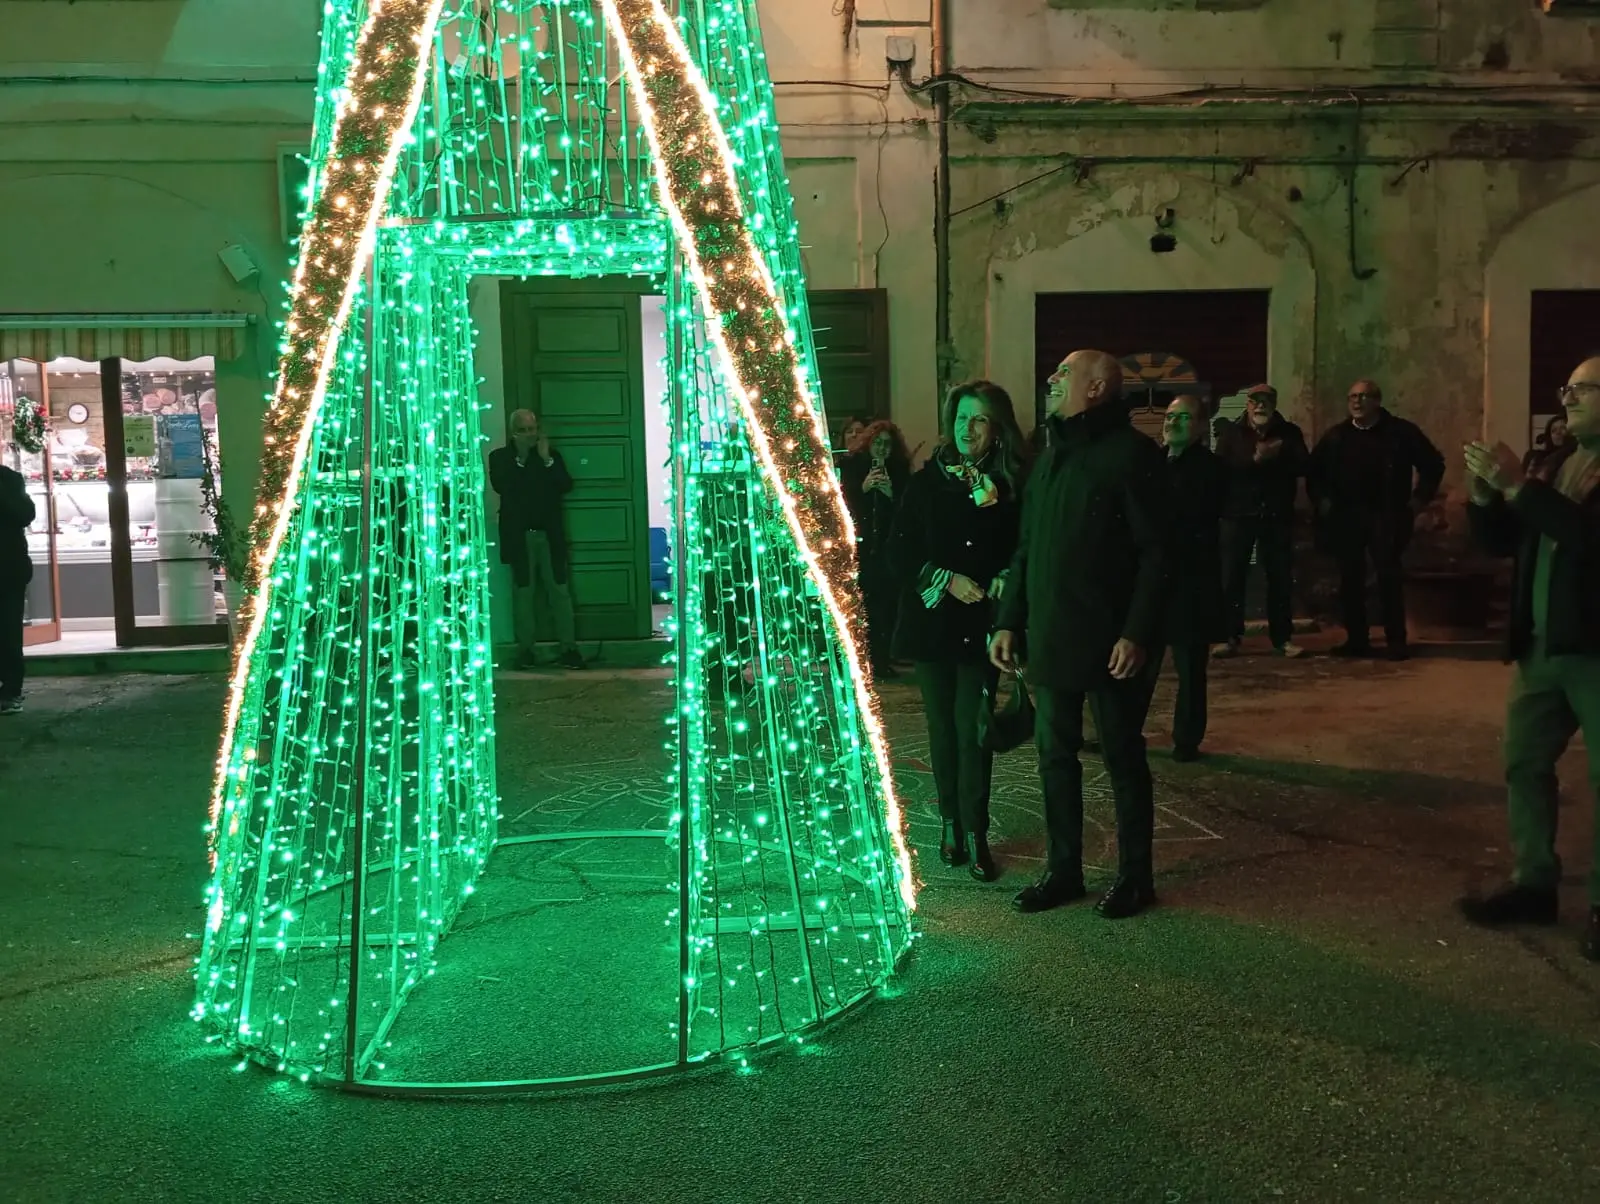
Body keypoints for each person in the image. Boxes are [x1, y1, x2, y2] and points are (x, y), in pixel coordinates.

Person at [991, 349, 1169, 920]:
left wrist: (1136, 632)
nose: (1052, 379)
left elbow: (1158, 552)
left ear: (1096, 388)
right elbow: (1026, 550)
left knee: (1120, 754)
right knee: (1053, 755)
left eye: (1064, 373)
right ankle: (1063, 870)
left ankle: (1135, 878)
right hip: (1051, 633)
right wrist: (1009, 620)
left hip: (1111, 641)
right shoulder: (1049, 458)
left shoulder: (1133, 456)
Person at [1458, 357, 1600, 961]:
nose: (1567, 397)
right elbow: (1505, 543)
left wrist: (1520, 487)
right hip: (1543, 647)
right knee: (1523, 762)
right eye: (1566, 387)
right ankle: (1534, 882)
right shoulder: (1558, 461)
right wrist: (1487, 498)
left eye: (1583, 389)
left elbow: (1591, 538)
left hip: (1595, 649)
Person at [890, 381, 1027, 882]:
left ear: (996, 430)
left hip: (983, 628)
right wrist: (946, 580)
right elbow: (897, 553)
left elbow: (1020, 549)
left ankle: (977, 831)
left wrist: (1003, 576)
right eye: (962, 417)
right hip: (934, 624)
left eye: (980, 419)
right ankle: (950, 822)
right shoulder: (926, 483)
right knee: (941, 731)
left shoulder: (1007, 485)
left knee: (976, 731)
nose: (967, 428)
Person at [1308, 380, 1445, 661]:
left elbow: (1433, 464)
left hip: (1388, 515)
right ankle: (1357, 640)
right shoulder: (1337, 437)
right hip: (1348, 517)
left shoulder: (1401, 433)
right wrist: (1323, 502)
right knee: (1351, 579)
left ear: (1378, 401)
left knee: (1388, 576)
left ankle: (1396, 641)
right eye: (1352, 397)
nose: (1357, 402)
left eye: (1364, 396)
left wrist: (1418, 500)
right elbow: (1314, 471)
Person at [1213, 383, 1308, 659]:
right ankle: (1230, 636)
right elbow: (1221, 470)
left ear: (1274, 403)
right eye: (1255, 401)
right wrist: (1255, 459)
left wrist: (1281, 456)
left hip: (1275, 516)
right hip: (1237, 515)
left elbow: (1304, 465)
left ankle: (1282, 638)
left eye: (1266, 400)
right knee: (1232, 577)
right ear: (1247, 405)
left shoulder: (1289, 433)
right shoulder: (1231, 433)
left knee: (1279, 577)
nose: (1260, 406)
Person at [1157, 395, 1229, 761]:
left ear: (1201, 426)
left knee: (1189, 668)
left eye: (1184, 417)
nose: (1173, 422)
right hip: (1153, 582)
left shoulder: (1211, 469)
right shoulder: (1152, 464)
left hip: (1190, 583)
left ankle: (1187, 738)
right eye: (1170, 416)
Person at [488, 409, 584, 671]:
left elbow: (565, 485)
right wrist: (520, 459)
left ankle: (569, 648)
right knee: (523, 594)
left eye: (533, 429)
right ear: (513, 433)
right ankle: (526, 650)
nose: (531, 435)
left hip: (550, 537)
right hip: (520, 538)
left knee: (560, 593)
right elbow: (502, 485)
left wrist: (546, 460)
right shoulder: (500, 458)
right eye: (524, 430)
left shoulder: (551, 457)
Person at [840, 420, 911, 677]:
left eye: (886, 444)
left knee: (885, 605)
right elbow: (843, 505)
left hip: (887, 548)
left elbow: (907, 512)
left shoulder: (900, 470)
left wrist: (891, 494)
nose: (881, 448)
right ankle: (859, 660)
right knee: (860, 605)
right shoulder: (851, 466)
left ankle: (880, 660)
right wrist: (864, 488)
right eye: (877, 443)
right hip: (859, 545)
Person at [0, 459, 36, 715]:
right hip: (11, 568)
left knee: (8, 631)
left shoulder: (8, 480)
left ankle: (10, 690)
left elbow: (26, 514)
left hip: (8, 570)